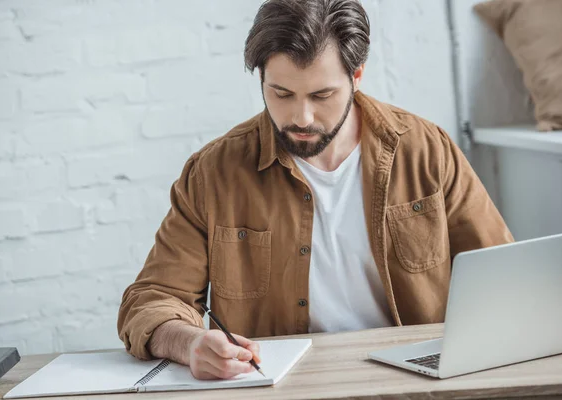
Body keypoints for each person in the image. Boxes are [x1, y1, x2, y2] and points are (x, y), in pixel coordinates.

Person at [117, 0, 513, 380]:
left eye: (322, 95)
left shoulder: (426, 150)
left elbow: (502, 277)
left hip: (416, 383)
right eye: (281, 94)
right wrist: (190, 343)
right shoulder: (214, 174)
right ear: (261, 79)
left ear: (356, 77)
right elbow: (151, 301)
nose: (300, 117)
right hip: (283, 387)